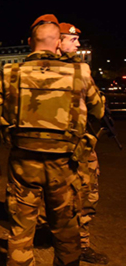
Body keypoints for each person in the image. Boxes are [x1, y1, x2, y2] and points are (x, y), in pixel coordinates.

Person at [0, 14, 105, 266]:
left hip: (23, 162)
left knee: (21, 230)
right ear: (58, 42)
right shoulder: (79, 71)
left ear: (29, 42)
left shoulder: (9, 72)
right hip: (64, 164)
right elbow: (99, 112)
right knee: (66, 231)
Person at [59, 22, 108, 264]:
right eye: (72, 39)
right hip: (56, 149)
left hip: (82, 146)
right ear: (57, 40)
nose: (78, 44)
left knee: (88, 197)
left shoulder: (81, 69)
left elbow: (97, 107)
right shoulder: (41, 69)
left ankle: (82, 244)